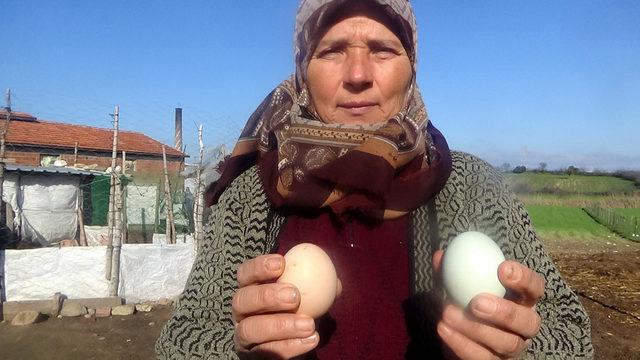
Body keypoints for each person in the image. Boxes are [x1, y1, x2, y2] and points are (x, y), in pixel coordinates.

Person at [156, 0, 593, 358]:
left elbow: (571, 334)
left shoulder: (473, 187)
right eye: (332, 50)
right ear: (302, 71)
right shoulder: (251, 198)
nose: (359, 75)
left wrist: (522, 345)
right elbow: (182, 340)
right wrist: (238, 346)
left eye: (383, 49)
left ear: (412, 68)